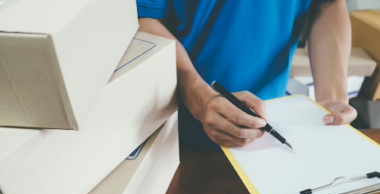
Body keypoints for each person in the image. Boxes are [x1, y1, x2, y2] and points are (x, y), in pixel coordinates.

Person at [137, 0, 357, 149]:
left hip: (271, 122)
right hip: (172, 129)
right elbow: (143, 18)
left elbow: (329, 4)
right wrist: (198, 96)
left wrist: (331, 97)